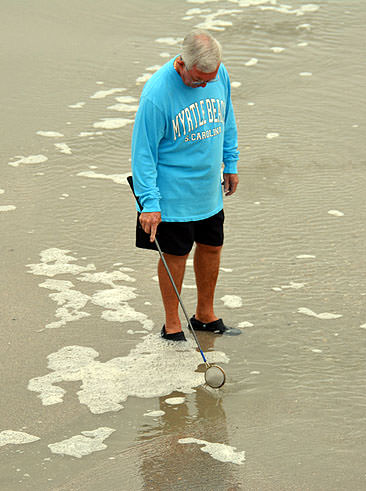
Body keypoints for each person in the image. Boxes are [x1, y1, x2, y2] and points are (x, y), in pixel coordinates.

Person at [131, 29, 240, 341]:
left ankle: (205, 315)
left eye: (210, 78)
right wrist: (149, 204)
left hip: (208, 189)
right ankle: (172, 325)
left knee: (211, 247)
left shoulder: (218, 75)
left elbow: (227, 116)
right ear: (181, 64)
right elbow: (143, 155)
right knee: (175, 256)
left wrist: (230, 162)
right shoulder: (156, 95)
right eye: (198, 80)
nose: (205, 85)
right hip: (172, 196)